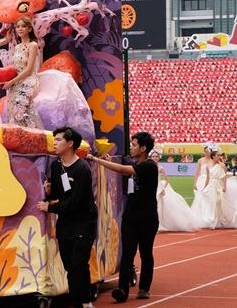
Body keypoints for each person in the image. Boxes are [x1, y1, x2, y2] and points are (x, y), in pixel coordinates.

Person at [88, 132, 158, 302]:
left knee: (146, 253)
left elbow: (123, 169)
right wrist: (109, 160)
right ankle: (122, 290)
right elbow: (124, 167)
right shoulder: (137, 163)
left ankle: (144, 288)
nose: (131, 147)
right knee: (127, 253)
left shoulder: (149, 165)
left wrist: (97, 160)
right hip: (130, 216)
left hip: (147, 217)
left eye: (134, 145)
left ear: (143, 148)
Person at [36, 127, 97, 308]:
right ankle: (79, 299)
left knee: (79, 263)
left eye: (59, 140)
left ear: (70, 144)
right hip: (66, 224)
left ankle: (83, 301)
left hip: (84, 222)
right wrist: (49, 191)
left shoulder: (82, 168)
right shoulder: (56, 165)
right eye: (54, 140)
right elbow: (58, 193)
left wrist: (50, 207)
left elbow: (75, 202)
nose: (54, 143)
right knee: (70, 266)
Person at [1, 16, 43, 129]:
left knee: (20, 109)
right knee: (12, 110)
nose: (20, 29)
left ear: (29, 29)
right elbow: (15, 69)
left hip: (29, 81)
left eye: (23, 26)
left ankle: (32, 134)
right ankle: (20, 137)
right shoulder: (18, 47)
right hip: (17, 82)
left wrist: (11, 82)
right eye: (17, 26)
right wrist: (4, 81)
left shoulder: (33, 45)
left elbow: (29, 70)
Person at [151, 150, 201, 232]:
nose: (155, 158)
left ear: (159, 158)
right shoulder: (148, 167)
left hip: (159, 189)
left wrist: (163, 187)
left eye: (156, 156)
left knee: (159, 207)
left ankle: (158, 225)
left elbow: (167, 179)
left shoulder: (160, 168)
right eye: (153, 156)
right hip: (151, 188)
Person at [201, 150, 237, 229]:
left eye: (219, 155)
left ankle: (221, 220)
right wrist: (204, 187)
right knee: (212, 203)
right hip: (211, 186)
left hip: (218, 185)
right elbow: (207, 178)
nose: (219, 157)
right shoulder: (208, 166)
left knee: (219, 202)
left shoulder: (222, 165)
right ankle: (213, 222)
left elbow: (224, 177)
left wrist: (224, 186)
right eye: (217, 155)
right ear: (213, 156)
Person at [190, 143, 213, 221]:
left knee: (209, 199)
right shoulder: (200, 160)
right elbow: (197, 172)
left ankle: (208, 216)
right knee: (199, 198)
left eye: (208, 151)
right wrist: (194, 183)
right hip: (200, 181)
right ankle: (199, 217)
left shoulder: (214, 160)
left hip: (210, 181)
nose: (207, 153)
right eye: (205, 151)